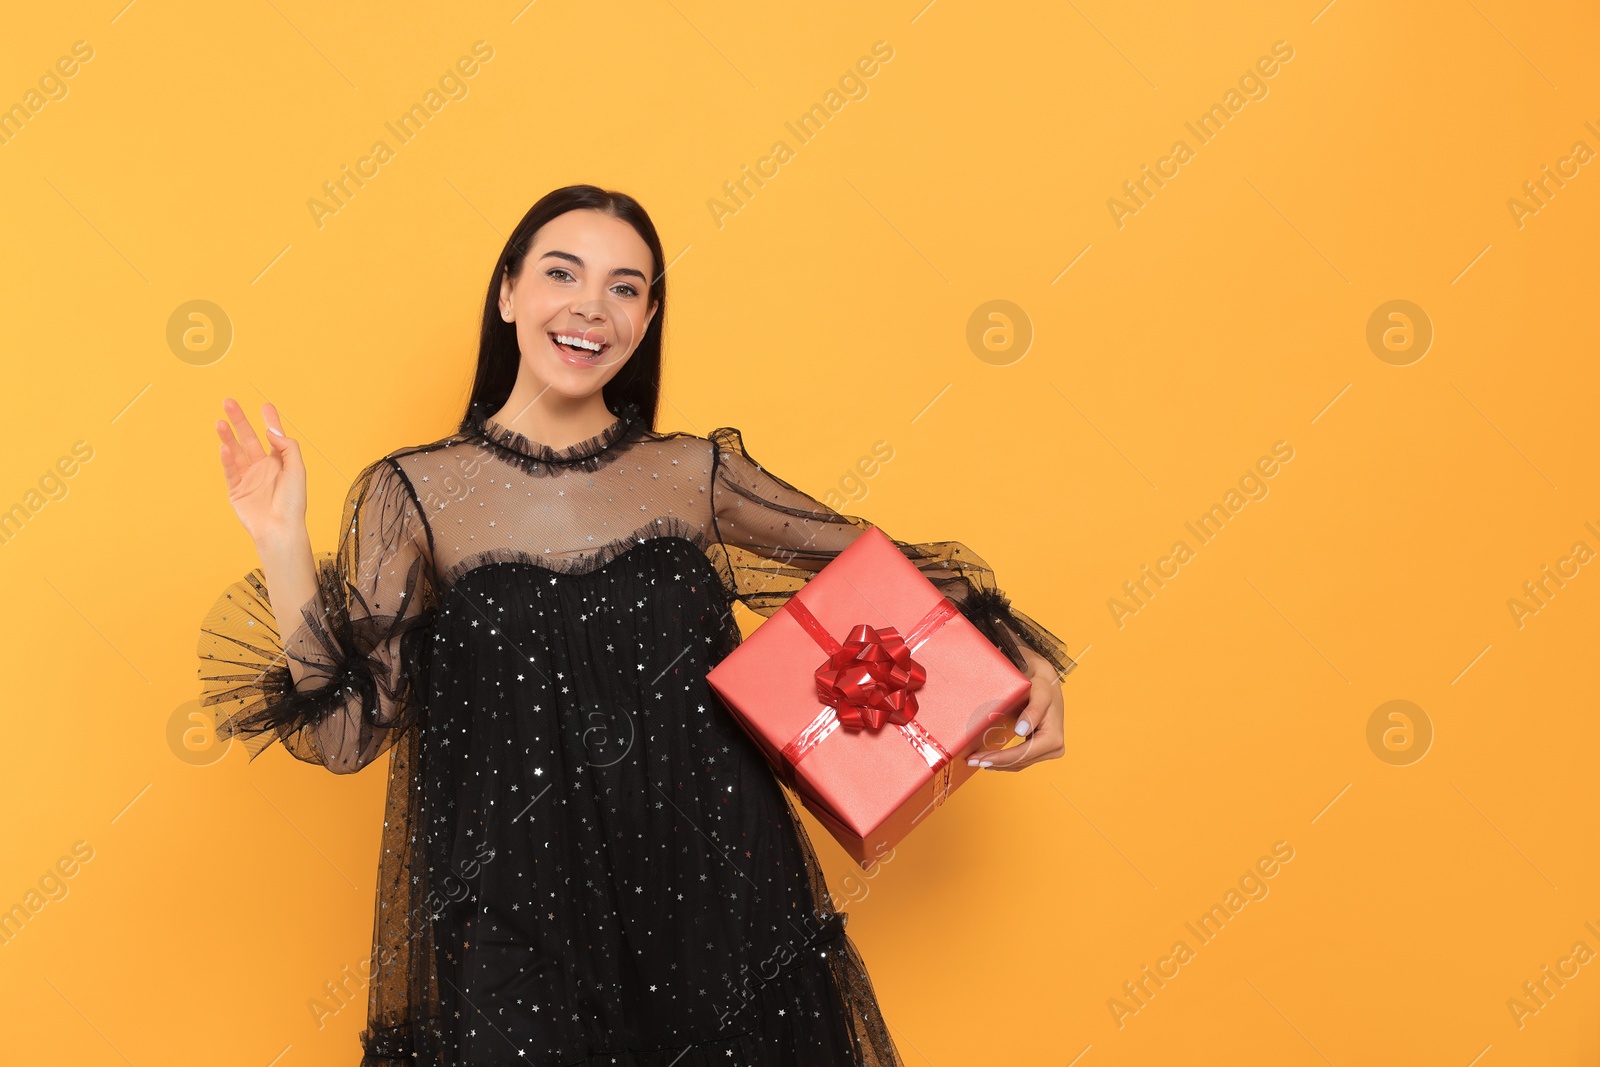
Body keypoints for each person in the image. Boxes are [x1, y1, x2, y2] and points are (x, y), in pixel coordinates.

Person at [197, 184, 1076, 1066]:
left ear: (650, 315)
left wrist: (1021, 661)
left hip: (719, 898)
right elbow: (349, 731)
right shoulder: (418, 495)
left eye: (626, 287)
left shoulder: (692, 473)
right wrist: (280, 540)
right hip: (513, 917)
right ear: (507, 294)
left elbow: (884, 572)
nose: (591, 306)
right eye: (562, 273)